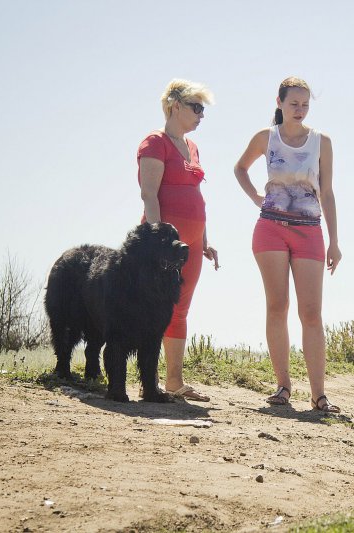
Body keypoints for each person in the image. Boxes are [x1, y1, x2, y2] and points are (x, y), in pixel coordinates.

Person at [234, 77, 342, 413]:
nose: (300, 109)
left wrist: (334, 241)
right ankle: (282, 386)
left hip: (310, 231)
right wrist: (255, 196)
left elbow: (326, 192)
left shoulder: (321, 141)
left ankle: (319, 394)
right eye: (294, 103)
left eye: (305, 104)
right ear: (279, 102)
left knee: (311, 313)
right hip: (270, 230)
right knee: (276, 306)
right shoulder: (266, 138)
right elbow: (240, 168)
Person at [137, 79, 219, 402]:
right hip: (164, 245)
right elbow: (149, 194)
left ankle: (174, 381)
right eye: (196, 107)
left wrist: (205, 240)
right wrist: (158, 241)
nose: (201, 115)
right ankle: (149, 381)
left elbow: (196, 197)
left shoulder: (192, 147)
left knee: (180, 309)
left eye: (203, 109)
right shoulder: (154, 143)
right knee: (154, 308)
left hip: (194, 246)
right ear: (175, 106)